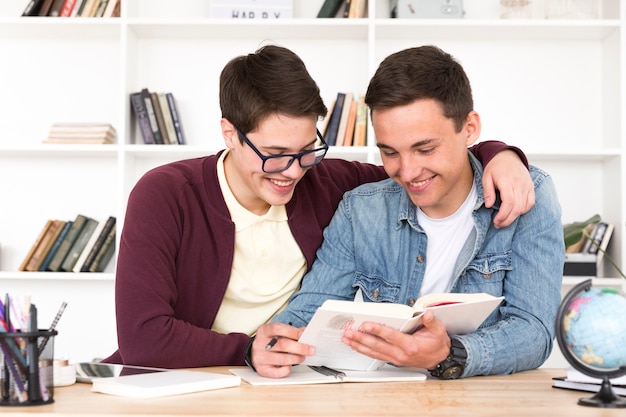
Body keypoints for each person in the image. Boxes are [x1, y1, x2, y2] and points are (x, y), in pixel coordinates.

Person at [102, 45, 536, 369]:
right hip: (169, 382)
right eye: (274, 153)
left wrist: (501, 154)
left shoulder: (326, 182)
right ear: (229, 134)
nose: (291, 172)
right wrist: (245, 349)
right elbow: (143, 338)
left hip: (277, 378)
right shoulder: (164, 194)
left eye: (306, 150)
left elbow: (418, 168)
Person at [250, 45, 564, 379]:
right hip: (383, 397)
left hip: (480, 399)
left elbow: (534, 332)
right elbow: (313, 309)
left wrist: (450, 353)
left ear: (469, 128)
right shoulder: (361, 210)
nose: (409, 172)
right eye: (390, 152)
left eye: (425, 149)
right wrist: (274, 341)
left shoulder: (527, 195)